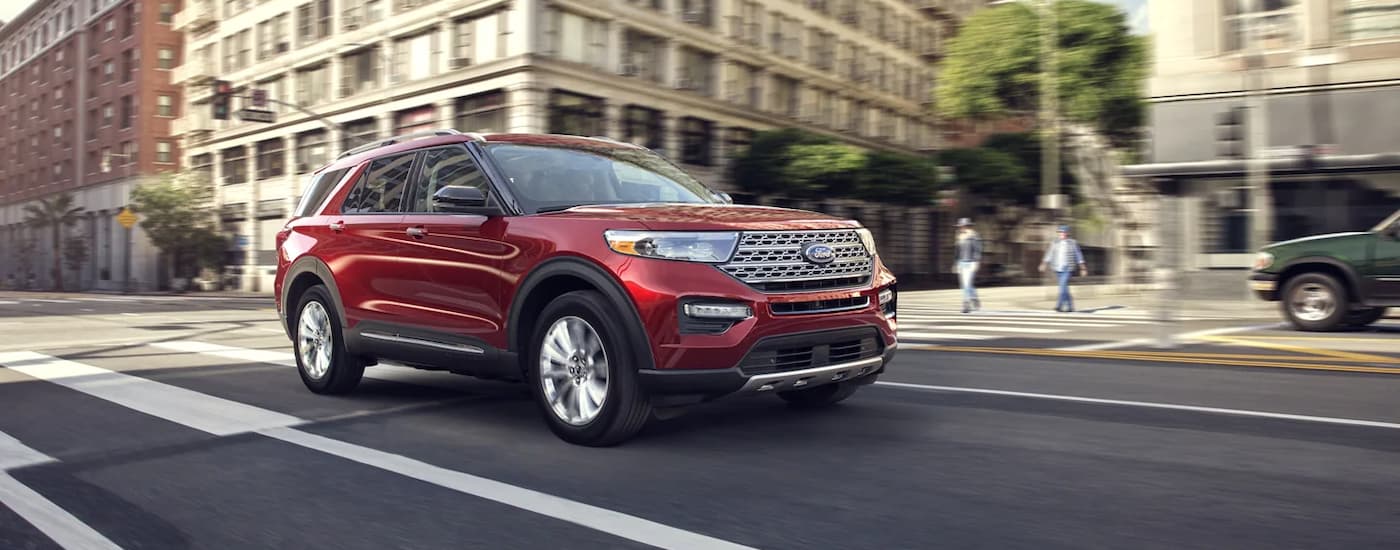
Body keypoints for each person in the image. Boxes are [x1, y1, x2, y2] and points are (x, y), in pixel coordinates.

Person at [1040, 225, 1088, 312]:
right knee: (1064, 288)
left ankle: (1059, 305)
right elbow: (1049, 253)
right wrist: (1044, 264)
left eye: (1063, 232)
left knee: (1062, 286)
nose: (1061, 234)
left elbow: (1078, 255)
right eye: (1060, 232)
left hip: (1067, 268)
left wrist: (1083, 268)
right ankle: (1070, 306)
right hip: (1057, 268)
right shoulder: (1055, 242)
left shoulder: (1072, 243)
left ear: (1067, 233)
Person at [953, 218, 982, 314]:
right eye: (959, 226)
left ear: (967, 226)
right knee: (965, 284)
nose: (960, 228)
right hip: (961, 263)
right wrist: (956, 263)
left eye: (961, 226)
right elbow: (957, 252)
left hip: (971, 263)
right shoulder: (959, 237)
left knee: (967, 284)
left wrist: (976, 262)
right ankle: (974, 299)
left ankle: (966, 305)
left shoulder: (974, 236)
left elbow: (978, 250)